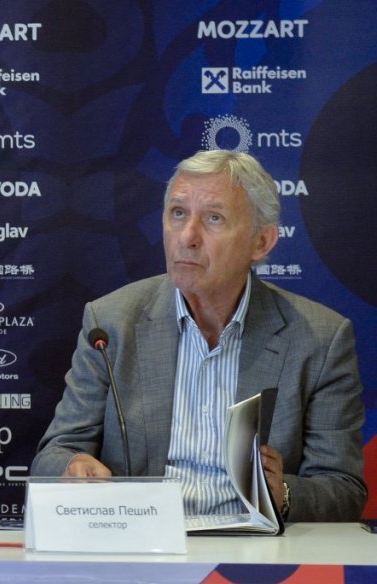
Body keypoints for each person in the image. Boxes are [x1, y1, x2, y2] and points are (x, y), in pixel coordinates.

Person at [31, 150, 366, 522]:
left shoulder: (319, 339)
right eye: (178, 213)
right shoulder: (111, 322)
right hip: (144, 539)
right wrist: (73, 466)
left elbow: (344, 489)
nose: (187, 237)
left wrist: (284, 493)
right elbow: (54, 454)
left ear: (262, 242)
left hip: (254, 548)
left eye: (214, 218)